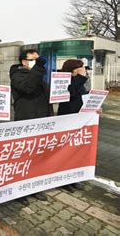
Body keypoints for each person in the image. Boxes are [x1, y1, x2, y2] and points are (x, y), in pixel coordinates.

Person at [10, 49, 53, 205]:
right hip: (27, 122)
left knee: (38, 157)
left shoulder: (38, 76)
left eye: (38, 58)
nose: (37, 61)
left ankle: (33, 186)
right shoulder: (17, 75)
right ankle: (18, 190)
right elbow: (28, 88)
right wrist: (39, 67)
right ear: (24, 62)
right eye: (33, 59)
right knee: (23, 158)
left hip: (42, 122)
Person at [57, 59, 99, 192]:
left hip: (79, 122)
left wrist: (94, 108)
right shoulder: (63, 81)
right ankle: (63, 180)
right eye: (80, 68)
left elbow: (84, 99)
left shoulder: (81, 82)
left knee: (76, 151)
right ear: (72, 69)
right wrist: (80, 76)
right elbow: (71, 93)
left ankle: (73, 178)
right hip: (67, 121)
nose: (83, 70)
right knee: (65, 151)